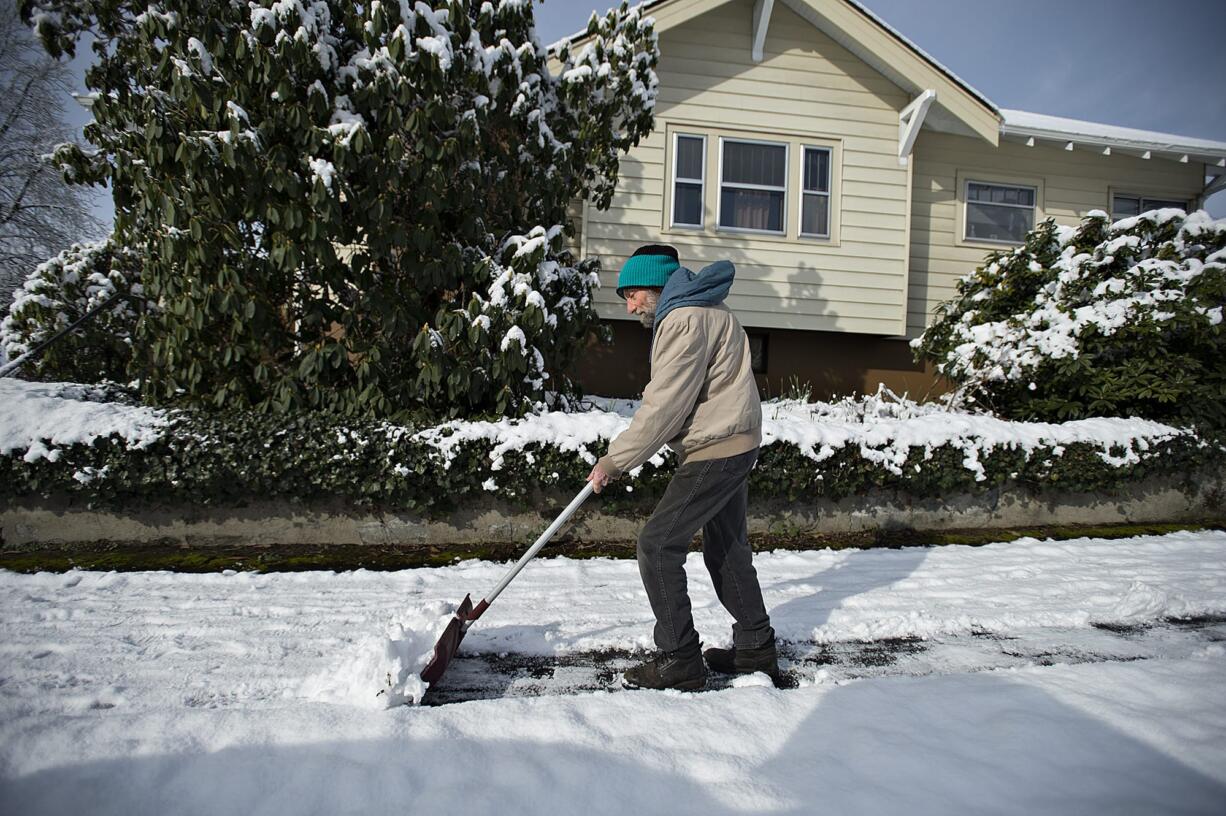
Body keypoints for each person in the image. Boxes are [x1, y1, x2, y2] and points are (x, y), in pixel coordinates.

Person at [586, 244, 777, 690]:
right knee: (726, 548)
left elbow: (665, 403)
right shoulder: (710, 308)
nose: (630, 305)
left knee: (657, 544)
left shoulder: (684, 318)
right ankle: (755, 647)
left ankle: (679, 659)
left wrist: (616, 460)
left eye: (632, 294)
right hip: (735, 440)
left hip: (717, 447)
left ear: (655, 286)